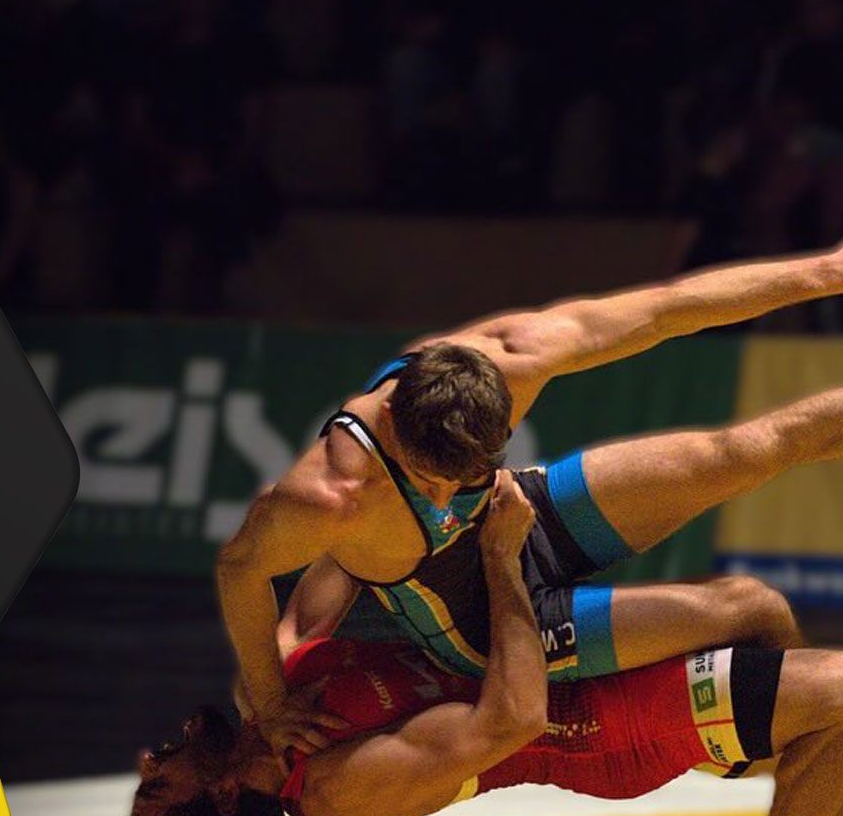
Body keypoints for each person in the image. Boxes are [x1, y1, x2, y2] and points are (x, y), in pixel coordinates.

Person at [119, 475, 843, 816]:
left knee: (754, 608)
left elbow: (340, 559)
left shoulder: (265, 695)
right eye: (159, 785)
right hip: (596, 731)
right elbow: (514, 719)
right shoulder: (340, 791)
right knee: (837, 694)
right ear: (221, 797)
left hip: (547, 666)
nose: (149, 759)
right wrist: (499, 556)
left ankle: (766, 758)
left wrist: (369, 489)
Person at [218, 244, 843, 756]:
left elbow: (666, 309)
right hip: (483, 626)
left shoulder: (516, 355)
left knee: (743, 451)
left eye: (463, 477)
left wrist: (825, 271)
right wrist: (271, 702)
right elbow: (239, 568)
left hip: (523, 514)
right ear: (394, 425)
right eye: (430, 483)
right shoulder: (328, 493)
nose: (444, 498)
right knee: (742, 608)